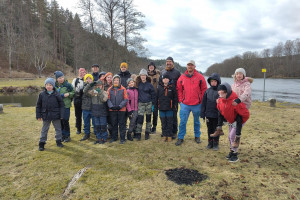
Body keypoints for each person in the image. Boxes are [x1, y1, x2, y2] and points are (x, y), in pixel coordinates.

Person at [210, 68, 253, 148]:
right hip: (233, 108)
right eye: (237, 74)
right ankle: (231, 148)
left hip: (242, 107)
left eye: (240, 74)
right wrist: (220, 98)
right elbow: (228, 94)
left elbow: (247, 93)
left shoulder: (247, 84)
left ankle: (236, 144)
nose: (239, 75)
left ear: (244, 75)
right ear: (235, 75)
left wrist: (239, 100)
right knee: (230, 133)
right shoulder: (233, 85)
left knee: (236, 126)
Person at [213, 82, 250, 162]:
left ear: (228, 92)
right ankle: (232, 151)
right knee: (230, 137)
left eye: (223, 92)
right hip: (231, 119)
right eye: (219, 92)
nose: (221, 94)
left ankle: (235, 155)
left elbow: (241, 115)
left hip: (240, 119)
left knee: (232, 136)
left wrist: (238, 133)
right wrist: (220, 125)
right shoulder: (220, 101)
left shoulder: (234, 102)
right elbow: (220, 113)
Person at [175, 60, 207, 146]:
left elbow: (204, 89)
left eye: (191, 65)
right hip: (185, 104)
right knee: (183, 122)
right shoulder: (182, 78)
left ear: (194, 66)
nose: (190, 66)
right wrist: (181, 101)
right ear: (186, 66)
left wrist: (202, 101)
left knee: (197, 121)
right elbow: (179, 90)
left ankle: (197, 136)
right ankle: (180, 137)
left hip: (197, 104)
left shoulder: (200, 77)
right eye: (188, 65)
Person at [36, 78, 65, 151]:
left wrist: (61, 115)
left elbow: (61, 105)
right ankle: (41, 143)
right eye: (47, 85)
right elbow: (38, 105)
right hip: (45, 115)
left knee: (58, 129)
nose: (48, 86)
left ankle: (58, 141)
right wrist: (38, 115)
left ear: (53, 86)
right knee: (44, 129)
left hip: (56, 115)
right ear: (45, 85)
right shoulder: (42, 94)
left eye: (50, 85)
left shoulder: (57, 94)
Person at [160, 57, 181, 139]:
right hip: (164, 98)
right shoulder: (163, 71)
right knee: (164, 117)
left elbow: (180, 84)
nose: (168, 63)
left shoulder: (177, 72)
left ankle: (174, 132)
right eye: (167, 62)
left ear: (173, 63)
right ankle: (165, 132)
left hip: (173, 97)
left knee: (174, 116)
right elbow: (160, 84)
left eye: (170, 62)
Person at [200, 73, 221, 150]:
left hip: (217, 115)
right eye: (212, 81)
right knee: (209, 129)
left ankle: (215, 143)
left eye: (215, 81)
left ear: (218, 82)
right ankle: (210, 142)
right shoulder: (207, 91)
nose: (213, 83)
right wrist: (202, 114)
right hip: (208, 114)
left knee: (216, 129)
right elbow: (203, 103)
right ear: (210, 82)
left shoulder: (220, 92)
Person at [84, 80, 108, 144]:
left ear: (102, 86)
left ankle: (104, 138)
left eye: (99, 86)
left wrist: (99, 92)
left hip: (102, 112)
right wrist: (90, 85)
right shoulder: (93, 92)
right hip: (95, 112)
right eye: (97, 86)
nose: (98, 87)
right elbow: (85, 91)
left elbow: (104, 100)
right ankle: (98, 138)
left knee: (103, 126)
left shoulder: (104, 92)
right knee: (97, 126)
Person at [156, 74, 178, 142]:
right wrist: (157, 106)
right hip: (161, 108)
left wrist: (175, 106)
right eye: (164, 78)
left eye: (167, 78)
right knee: (163, 123)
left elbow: (175, 98)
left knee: (169, 123)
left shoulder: (172, 87)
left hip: (170, 108)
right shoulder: (159, 87)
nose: (165, 80)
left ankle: (169, 136)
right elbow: (156, 97)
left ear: (169, 80)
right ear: (162, 80)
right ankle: (164, 135)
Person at [107, 75, 128, 144]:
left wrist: (120, 106)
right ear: (113, 81)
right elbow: (108, 99)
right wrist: (111, 106)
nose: (116, 81)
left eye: (117, 80)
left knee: (122, 124)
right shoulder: (109, 89)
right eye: (115, 80)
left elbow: (125, 99)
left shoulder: (123, 89)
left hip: (121, 110)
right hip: (112, 110)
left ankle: (122, 138)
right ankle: (114, 137)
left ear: (119, 81)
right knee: (114, 124)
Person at [135, 69, 156, 140]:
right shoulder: (138, 84)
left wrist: (153, 104)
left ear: (146, 76)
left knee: (148, 119)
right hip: (140, 104)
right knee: (140, 119)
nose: (143, 76)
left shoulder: (150, 85)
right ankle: (138, 133)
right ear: (140, 76)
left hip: (148, 104)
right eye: (141, 75)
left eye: (144, 75)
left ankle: (147, 132)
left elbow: (153, 94)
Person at [54, 71, 74, 142]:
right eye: (59, 78)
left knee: (65, 120)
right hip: (58, 106)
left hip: (66, 106)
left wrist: (69, 94)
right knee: (60, 121)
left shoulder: (68, 85)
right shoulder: (54, 86)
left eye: (62, 77)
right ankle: (62, 135)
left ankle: (67, 136)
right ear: (56, 79)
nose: (61, 79)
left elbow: (73, 92)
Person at [80, 74, 95, 141]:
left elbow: (94, 94)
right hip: (85, 108)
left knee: (95, 122)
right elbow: (85, 91)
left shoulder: (95, 87)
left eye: (90, 78)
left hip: (93, 107)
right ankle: (87, 134)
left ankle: (96, 133)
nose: (89, 80)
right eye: (87, 79)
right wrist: (89, 85)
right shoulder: (83, 87)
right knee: (86, 122)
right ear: (85, 80)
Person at [72, 68, 86, 134]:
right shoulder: (75, 80)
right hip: (77, 99)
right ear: (79, 72)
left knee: (86, 115)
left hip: (85, 100)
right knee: (78, 115)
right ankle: (78, 128)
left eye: (83, 72)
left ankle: (86, 128)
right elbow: (72, 89)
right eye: (80, 72)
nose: (82, 73)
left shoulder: (87, 80)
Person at [147, 62, 160, 134]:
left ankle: (154, 127)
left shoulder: (158, 75)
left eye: (152, 66)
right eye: (150, 66)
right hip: (147, 96)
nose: (151, 67)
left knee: (155, 112)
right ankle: (148, 126)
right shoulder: (145, 75)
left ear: (154, 67)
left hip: (155, 96)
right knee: (148, 112)